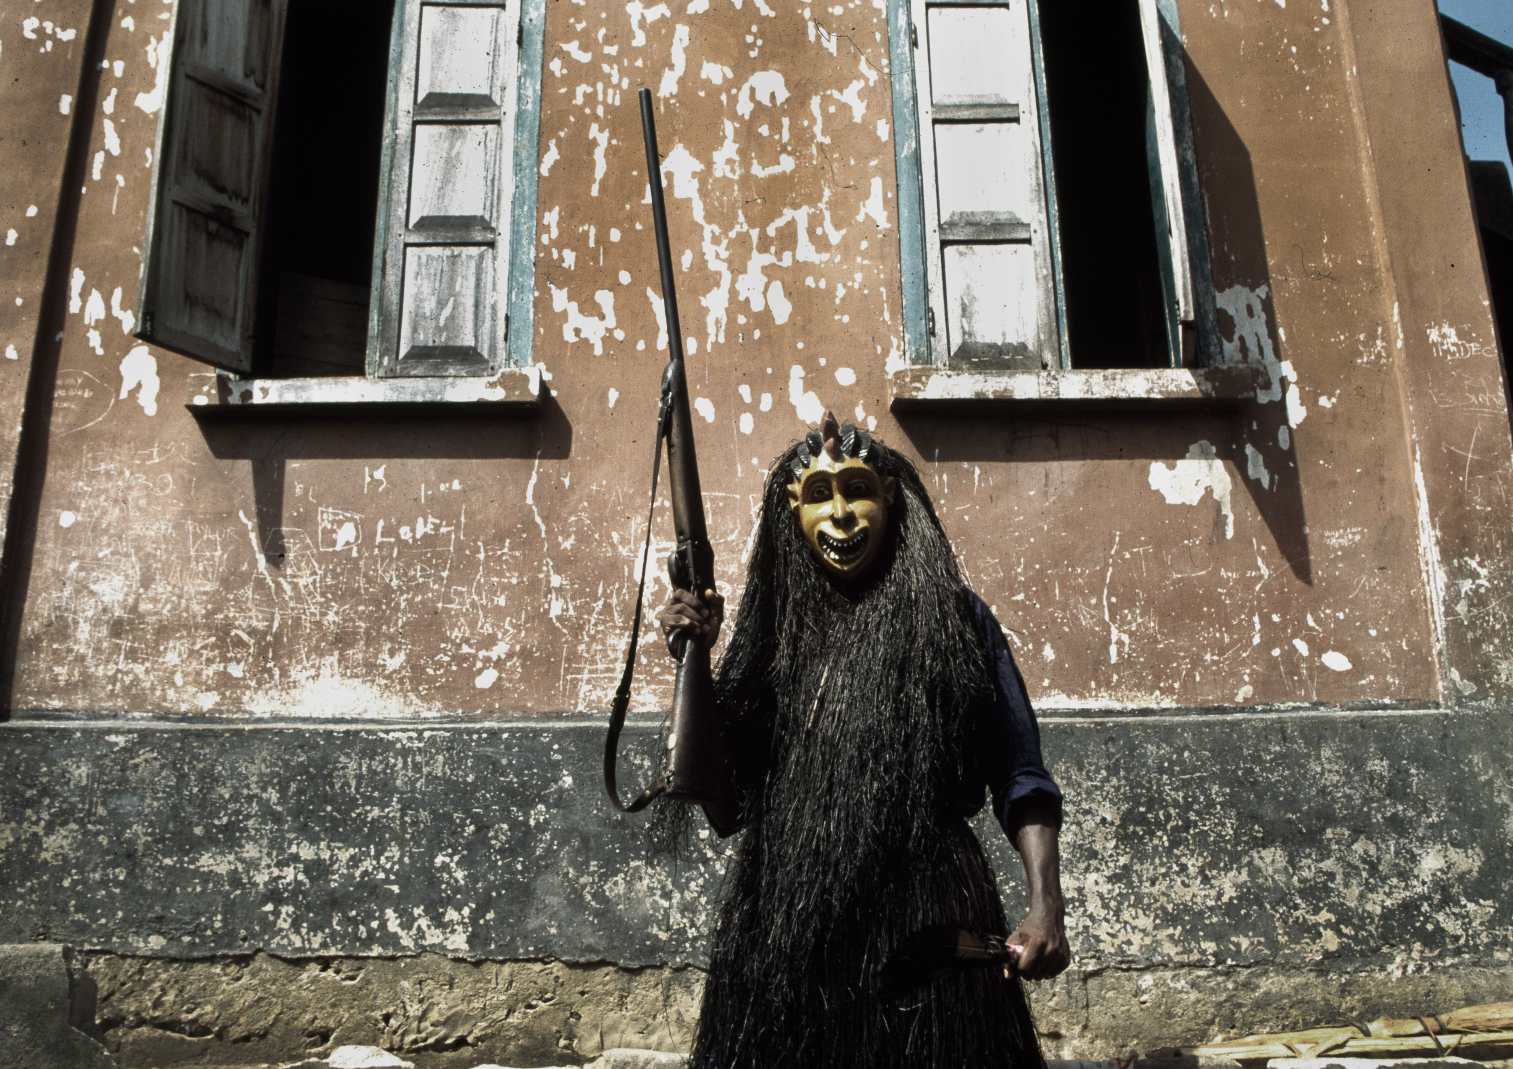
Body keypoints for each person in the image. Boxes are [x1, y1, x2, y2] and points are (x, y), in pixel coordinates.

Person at [656, 412, 1068, 1068]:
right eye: (818, 496)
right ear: (790, 515)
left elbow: (1020, 771)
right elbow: (724, 806)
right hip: (785, 932)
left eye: (856, 489)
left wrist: (1047, 905)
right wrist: (694, 665)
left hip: (929, 924)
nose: (841, 515)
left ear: (892, 500)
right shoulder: (770, 640)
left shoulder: (958, 622)